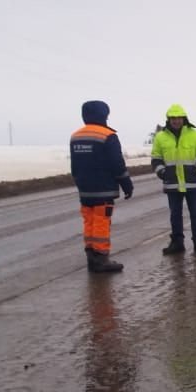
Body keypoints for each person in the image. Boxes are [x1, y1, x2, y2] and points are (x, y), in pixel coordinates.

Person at [70, 100, 134, 273]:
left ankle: (92, 256)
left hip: (84, 189)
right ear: (104, 115)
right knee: (101, 222)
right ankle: (101, 258)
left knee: (89, 222)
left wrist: (79, 182)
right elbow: (117, 164)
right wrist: (127, 185)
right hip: (103, 188)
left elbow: (74, 166)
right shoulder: (107, 135)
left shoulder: (76, 136)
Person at [151, 104, 196, 255]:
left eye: (178, 118)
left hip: (193, 183)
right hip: (172, 184)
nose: (176, 121)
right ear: (168, 120)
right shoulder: (160, 137)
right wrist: (162, 173)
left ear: (184, 119)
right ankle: (177, 244)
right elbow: (156, 158)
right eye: (173, 118)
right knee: (175, 215)